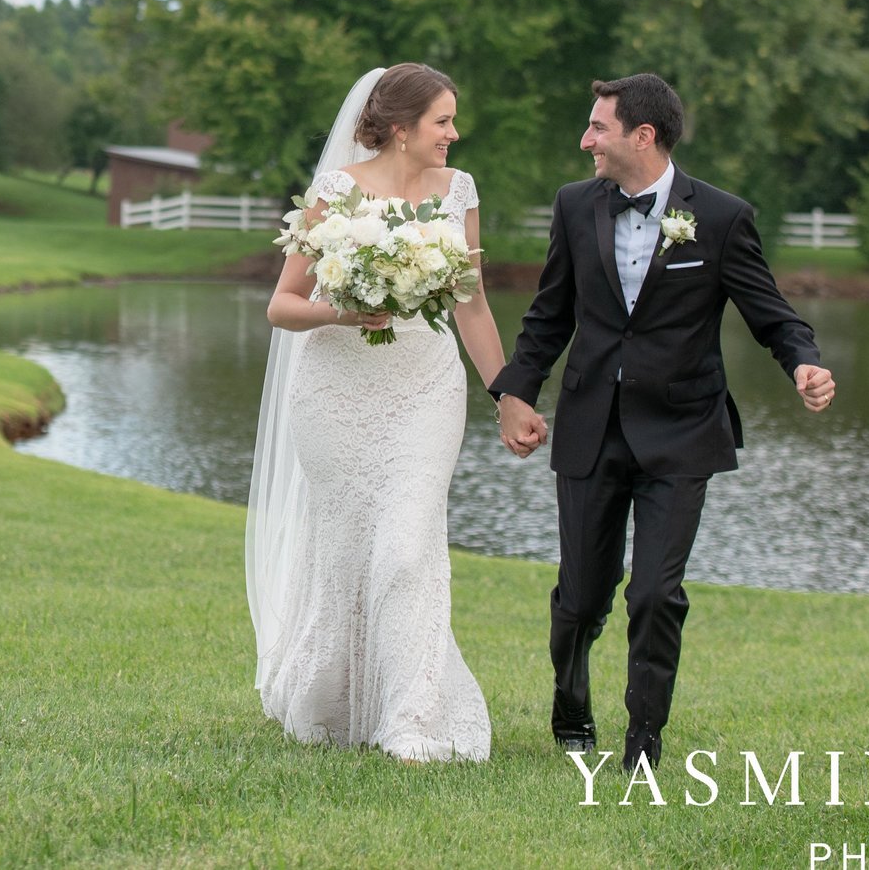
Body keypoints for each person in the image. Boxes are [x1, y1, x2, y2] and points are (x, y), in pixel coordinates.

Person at [490, 73, 837, 773]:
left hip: (682, 429)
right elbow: (548, 315)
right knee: (583, 595)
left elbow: (770, 310)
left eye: (597, 127)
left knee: (655, 591)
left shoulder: (722, 215)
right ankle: (571, 694)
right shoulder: (573, 205)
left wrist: (804, 361)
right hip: (591, 424)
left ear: (642, 135)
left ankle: (642, 743)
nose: (585, 139)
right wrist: (515, 394)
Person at [247, 63, 512, 761]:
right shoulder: (337, 193)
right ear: (400, 127)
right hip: (336, 391)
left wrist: (508, 394)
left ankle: (412, 717)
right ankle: (336, 698)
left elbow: (473, 302)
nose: (455, 133)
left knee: (406, 547)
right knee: (347, 550)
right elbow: (282, 304)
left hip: (425, 386)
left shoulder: (459, 193)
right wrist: (344, 307)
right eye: (443, 121)